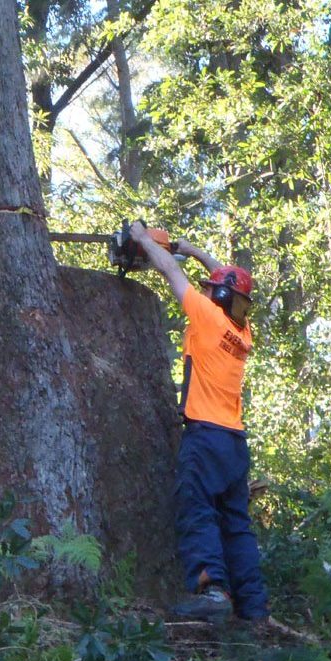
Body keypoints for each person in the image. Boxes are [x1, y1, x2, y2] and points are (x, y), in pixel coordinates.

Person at [129, 220, 269, 624]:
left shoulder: (207, 318)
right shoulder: (242, 333)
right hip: (233, 443)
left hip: (205, 437)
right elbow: (224, 275)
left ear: (219, 296)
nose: (204, 291)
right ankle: (253, 608)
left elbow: (169, 273)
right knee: (236, 524)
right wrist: (192, 250)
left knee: (197, 510)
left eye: (210, 288)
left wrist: (142, 239)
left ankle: (212, 591)